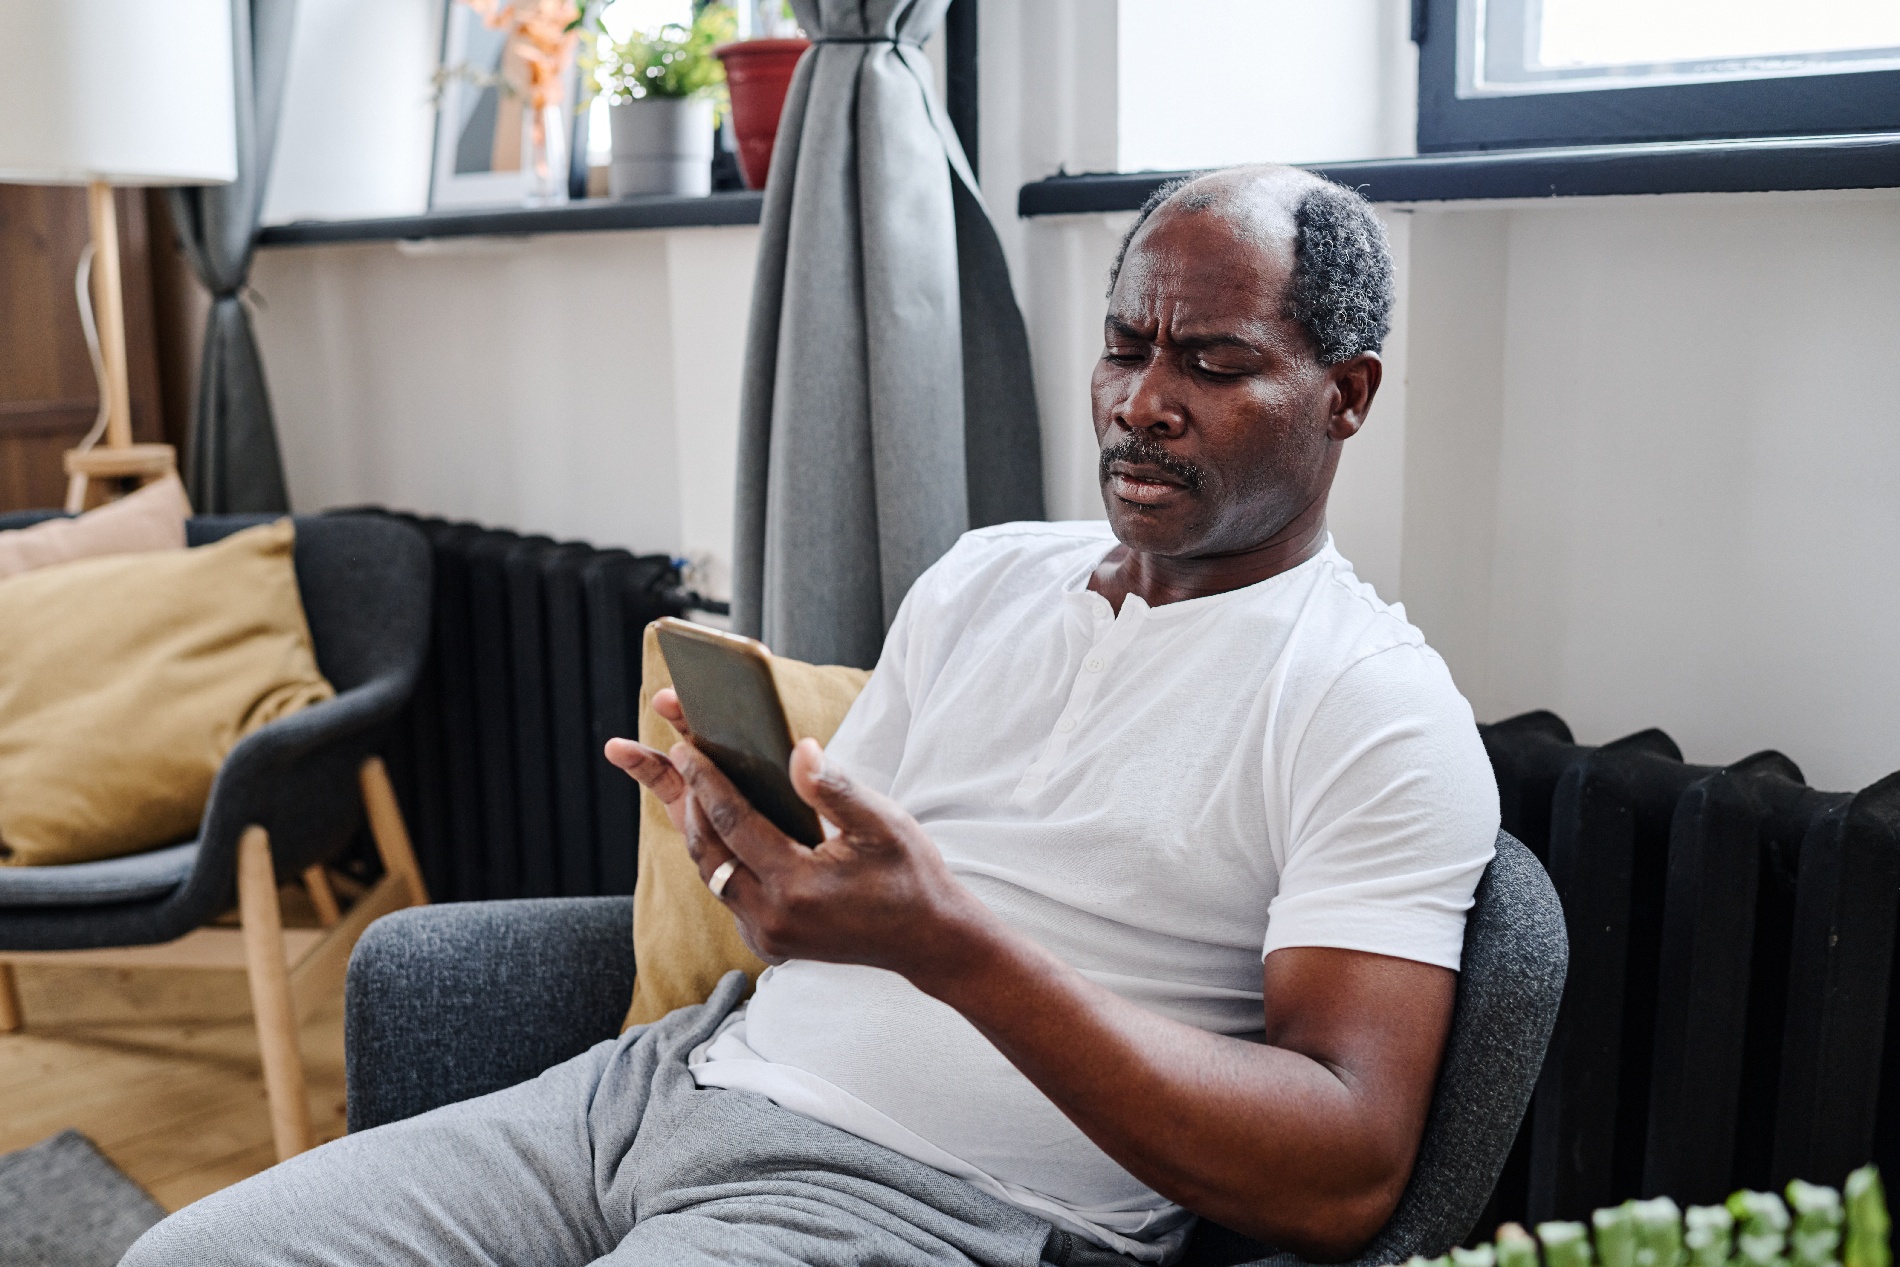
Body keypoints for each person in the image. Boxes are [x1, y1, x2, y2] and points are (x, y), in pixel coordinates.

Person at [124, 165, 1498, 1267]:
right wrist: (755, 866)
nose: (1144, 403)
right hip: (666, 1088)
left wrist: (955, 950)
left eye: (1212, 363)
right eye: (1127, 346)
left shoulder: (1369, 708)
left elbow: (1345, 1173)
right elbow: (853, 885)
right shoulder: (985, 575)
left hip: (926, 1206)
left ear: (1348, 394)